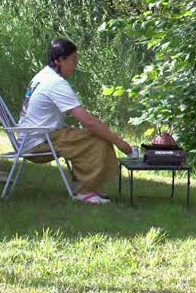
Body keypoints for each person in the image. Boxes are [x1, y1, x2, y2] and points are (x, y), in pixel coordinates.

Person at [18, 38, 133, 204]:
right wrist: (119, 142)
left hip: (32, 137)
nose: (75, 65)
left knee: (94, 136)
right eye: (73, 60)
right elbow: (88, 121)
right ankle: (85, 191)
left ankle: (90, 187)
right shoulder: (55, 83)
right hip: (38, 143)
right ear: (59, 60)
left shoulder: (42, 76)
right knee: (99, 140)